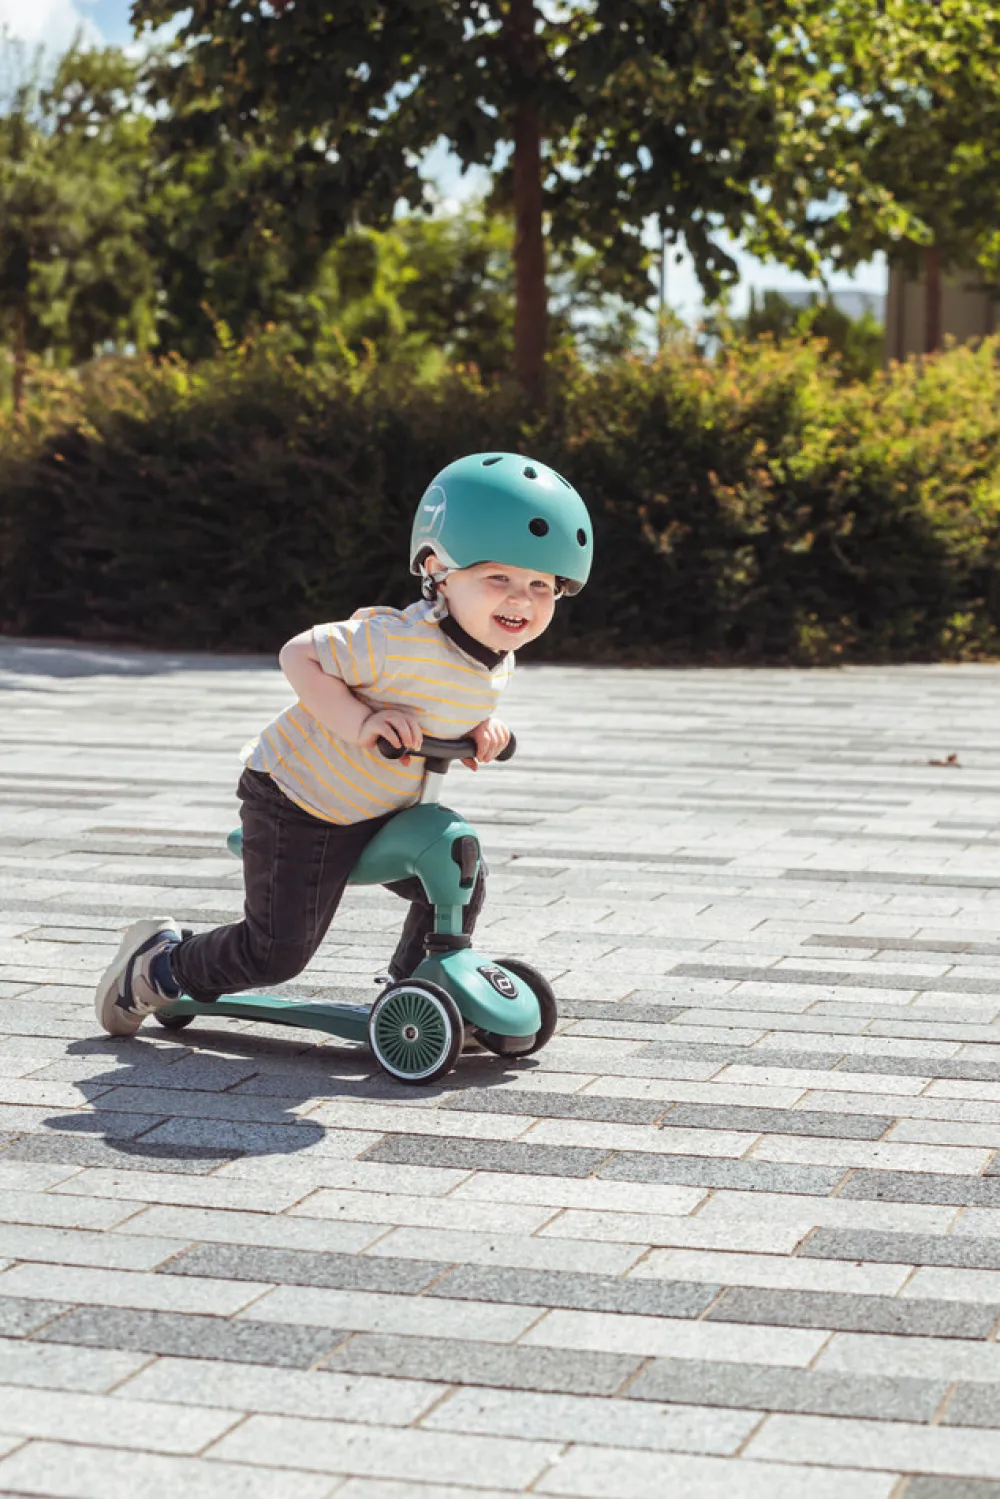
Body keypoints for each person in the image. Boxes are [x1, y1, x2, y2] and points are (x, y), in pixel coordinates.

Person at [94, 451, 593, 1036]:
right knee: (275, 953)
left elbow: (452, 704)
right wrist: (359, 722)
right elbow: (299, 654)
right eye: (498, 578)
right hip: (300, 801)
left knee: (456, 874)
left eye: (541, 585)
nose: (522, 600)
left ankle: (415, 989)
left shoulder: (494, 658)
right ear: (438, 571)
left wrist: (483, 730)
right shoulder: (393, 640)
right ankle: (160, 965)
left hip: (381, 809)